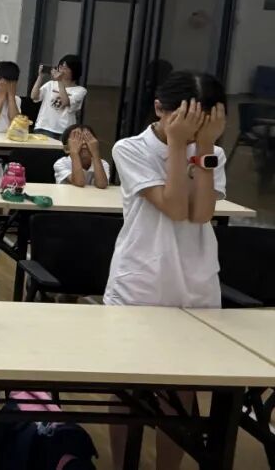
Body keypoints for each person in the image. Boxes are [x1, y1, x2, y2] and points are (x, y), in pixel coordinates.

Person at [105, 71, 227, 470]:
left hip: (194, 282)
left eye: (203, 123)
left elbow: (201, 212)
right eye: (186, 121)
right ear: (159, 109)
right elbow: (174, 206)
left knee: (181, 393)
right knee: (127, 389)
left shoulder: (212, 152)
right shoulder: (130, 148)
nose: (194, 131)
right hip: (141, 280)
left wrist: (203, 147)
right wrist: (177, 146)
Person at [29, 54, 86, 139]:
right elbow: (34, 96)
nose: (61, 70)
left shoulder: (80, 90)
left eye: (65, 68)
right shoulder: (50, 84)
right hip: (43, 127)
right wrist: (40, 77)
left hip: (64, 131)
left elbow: (65, 102)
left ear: (74, 71)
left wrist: (59, 81)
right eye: (60, 67)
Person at [55, 124, 110, 188]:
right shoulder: (61, 163)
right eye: (77, 139)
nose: (83, 142)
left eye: (88, 138)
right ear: (67, 149)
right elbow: (79, 182)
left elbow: (102, 184)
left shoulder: (103, 163)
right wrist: (74, 153)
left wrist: (95, 153)